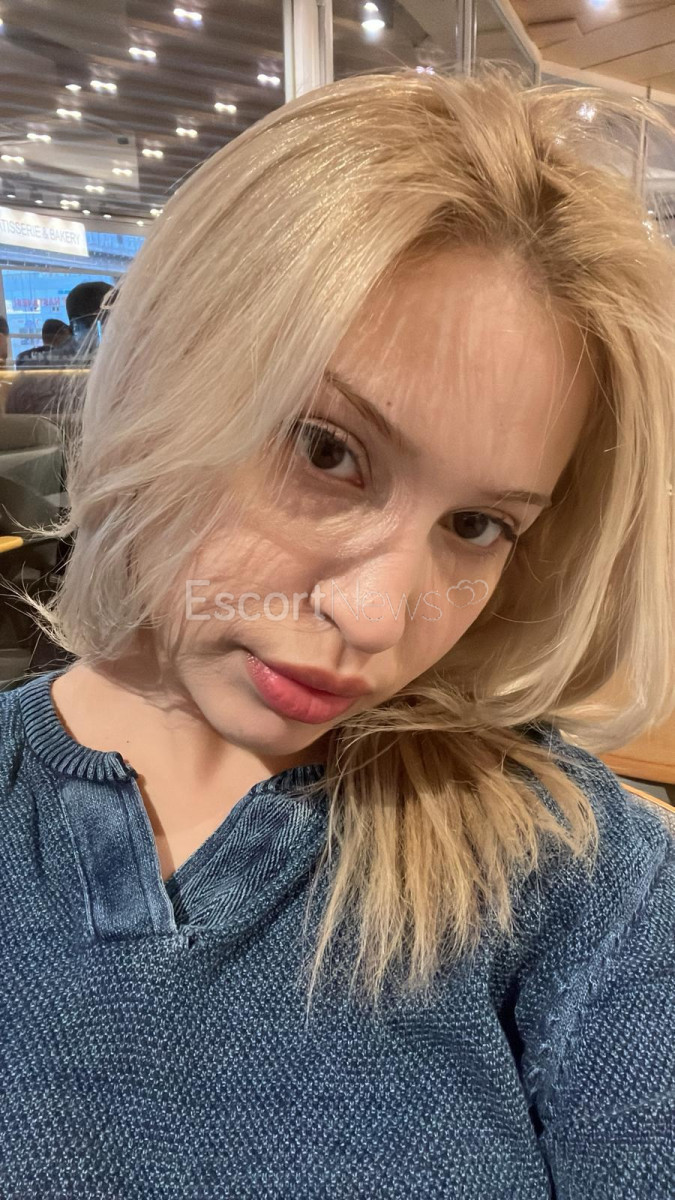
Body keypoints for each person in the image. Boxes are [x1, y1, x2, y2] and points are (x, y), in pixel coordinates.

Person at [0, 65, 673, 1198]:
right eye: (327, 451)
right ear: (160, 374)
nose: (376, 615)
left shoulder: (580, 881)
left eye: (476, 525)